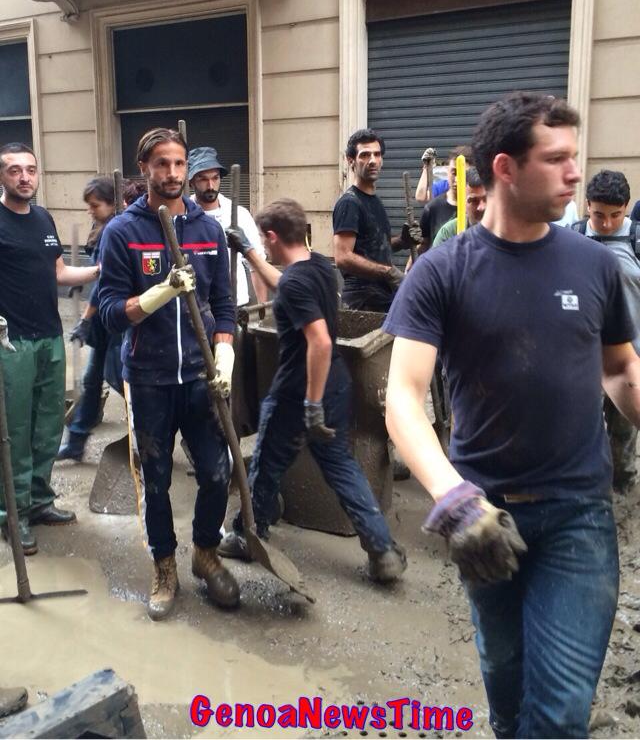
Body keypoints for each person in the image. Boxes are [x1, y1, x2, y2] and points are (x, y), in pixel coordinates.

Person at [383, 92, 640, 739]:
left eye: (574, 158)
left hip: (577, 516)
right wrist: (456, 502)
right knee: (505, 685)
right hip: (486, 515)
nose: (575, 174)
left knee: (556, 716)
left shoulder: (594, 265)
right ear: (505, 167)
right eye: (557, 160)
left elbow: (619, 368)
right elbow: (404, 398)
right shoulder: (442, 271)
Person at [218, 198, 406, 582]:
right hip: (335, 381)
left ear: (273, 235)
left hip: (298, 390)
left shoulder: (297, 283)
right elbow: (285, 284)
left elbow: (318, 341)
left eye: (263, 241)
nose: (264, 246)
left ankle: (247, 532)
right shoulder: (320, 266)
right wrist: (250, 254)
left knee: (268, 463)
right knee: (339, 465)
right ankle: (382, 549)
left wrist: (312, 403)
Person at [98, 127, 239, 620]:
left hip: (201, 377)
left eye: (179, 164)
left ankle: (205, 553)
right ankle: (164, 566)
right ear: (145, 169)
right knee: (154, 480)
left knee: (218, 472)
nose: (173, 174)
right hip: (150, 377)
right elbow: (110, 312)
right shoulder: (123, 232)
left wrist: (224, 357)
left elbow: (223, 305)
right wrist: (158, 294)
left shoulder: (209, 231)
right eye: (162, 164)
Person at [0, 143, 99, 555]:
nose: (24, 177)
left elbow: (58, 272)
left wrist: (101, 267)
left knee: (46, 427)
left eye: (31, 170)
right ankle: (13, 514)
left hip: (48, 336)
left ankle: (39, 501)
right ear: (2, 177)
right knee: (15, 432)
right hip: (11, 343)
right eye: (14, 170)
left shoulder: (43, 217)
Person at [572, 169, 640, 490]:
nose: (607, 223)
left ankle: (622, 489)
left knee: (623, 433)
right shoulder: (571, 239)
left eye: (616, 214)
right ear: (587, 205)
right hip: (579, 360)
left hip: (629, 359)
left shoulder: (637, 240)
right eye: (599, 214)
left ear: (626, 207)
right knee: (578, 431)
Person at [57, 177, 123, 462]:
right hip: (104, 324)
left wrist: (85, 319)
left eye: (95, 205)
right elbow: (97, 271)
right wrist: (79, 281)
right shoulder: (101, 227)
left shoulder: (118, 230)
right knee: (92, 380)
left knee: (121, 379)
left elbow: (107, 283)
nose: (90, 211)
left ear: (112, 203)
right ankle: (77, 441)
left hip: (118, 321)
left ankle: (162, 433)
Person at [333, 128, 421, 312]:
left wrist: (402, 241)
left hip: (381, 295)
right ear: (351, 161)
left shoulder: (374, 201)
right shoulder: (350, 203)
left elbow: (371, 248)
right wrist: (388, 272)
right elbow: (343, 257)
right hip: (363, 300)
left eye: (377, 154)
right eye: (365, 155)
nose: (372, 160)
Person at [187, 146, 268, 306]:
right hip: (196, 307)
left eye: (215, 178)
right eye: (203, 179)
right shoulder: (182, 216)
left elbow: (257, 264)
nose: (210, 185)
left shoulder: (238, 214)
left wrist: (261, 312)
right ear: (191, 182)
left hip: (235, 303)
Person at [418, 145, 474, 251]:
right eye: (454, 173)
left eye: (463, 174)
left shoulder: (479, 207)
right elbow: (423, 246)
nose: (457, 179)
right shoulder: (433, 207)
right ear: (447, 171)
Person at [432, 166, 487, 247]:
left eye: (486, 199)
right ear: (463, 202)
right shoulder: (449, 233)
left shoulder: (508, 230)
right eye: (474, 201)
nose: (481, 207)